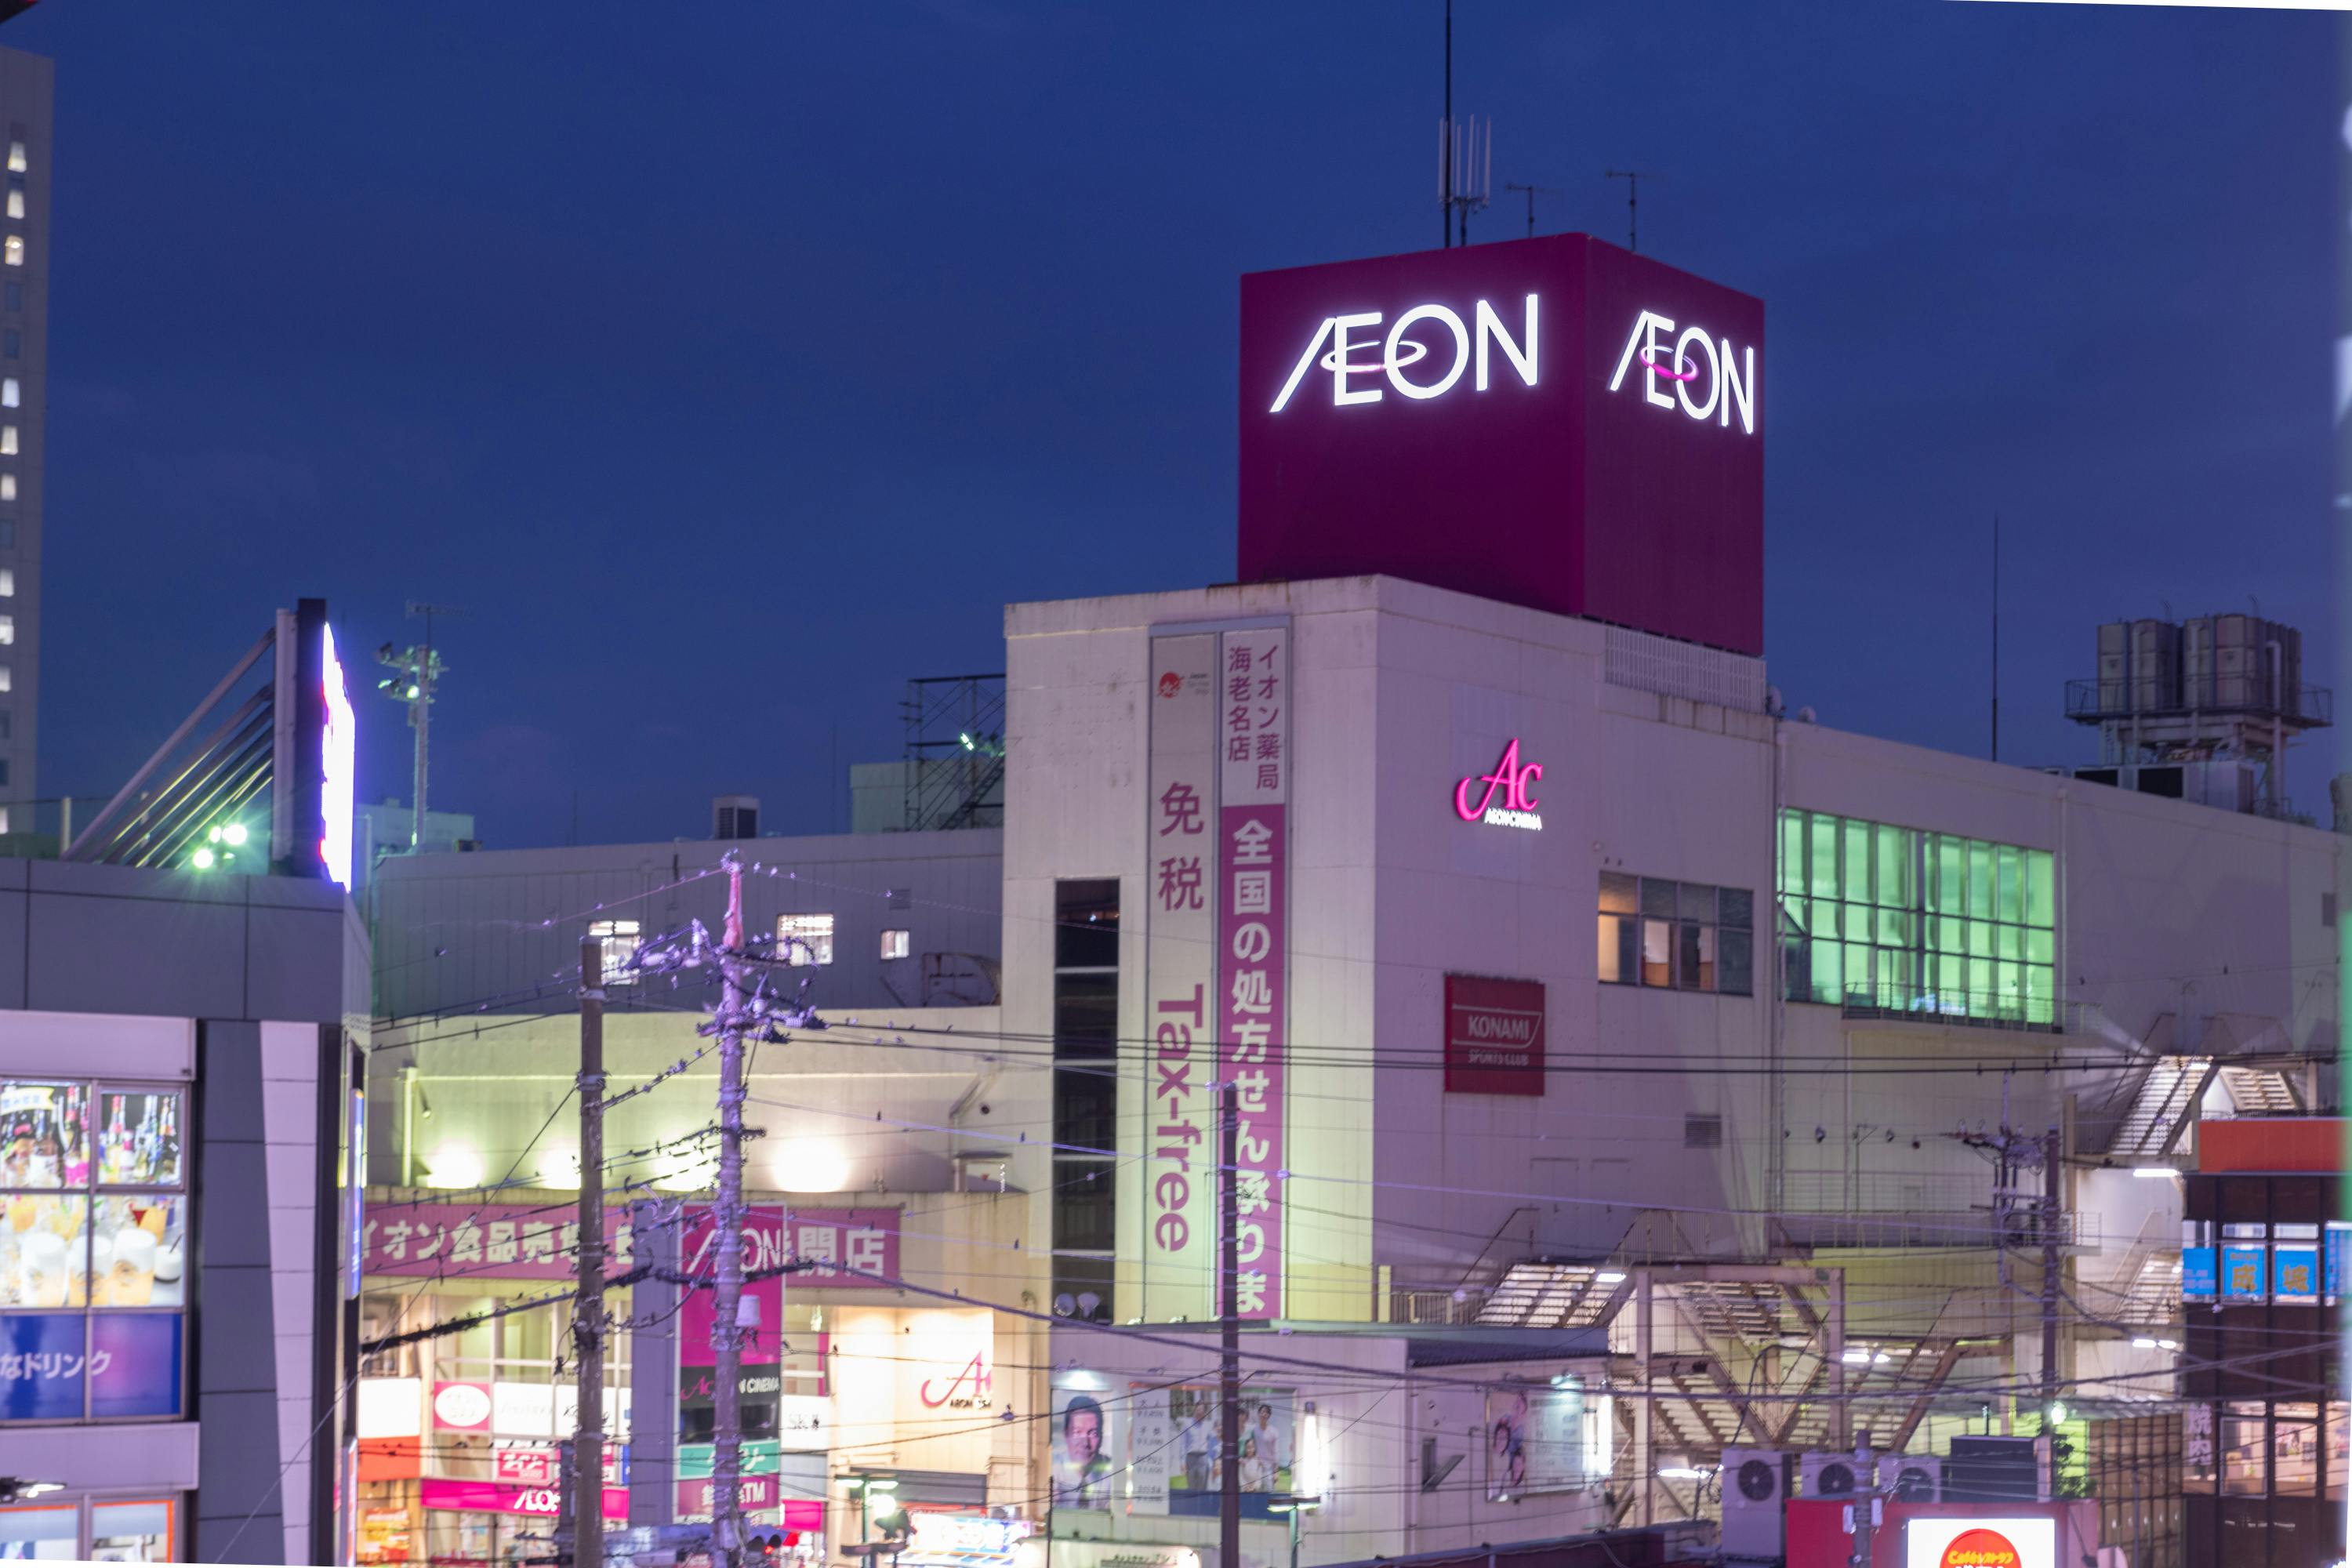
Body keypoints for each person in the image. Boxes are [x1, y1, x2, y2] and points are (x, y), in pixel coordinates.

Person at [1056, 1394, 1114, 1506]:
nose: (1085, 1443)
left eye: (1093, 1433)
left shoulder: (1114, 1471)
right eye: (1077, 1432)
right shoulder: (1053, 1468)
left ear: (1101, 1437)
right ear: (1066, 1435)